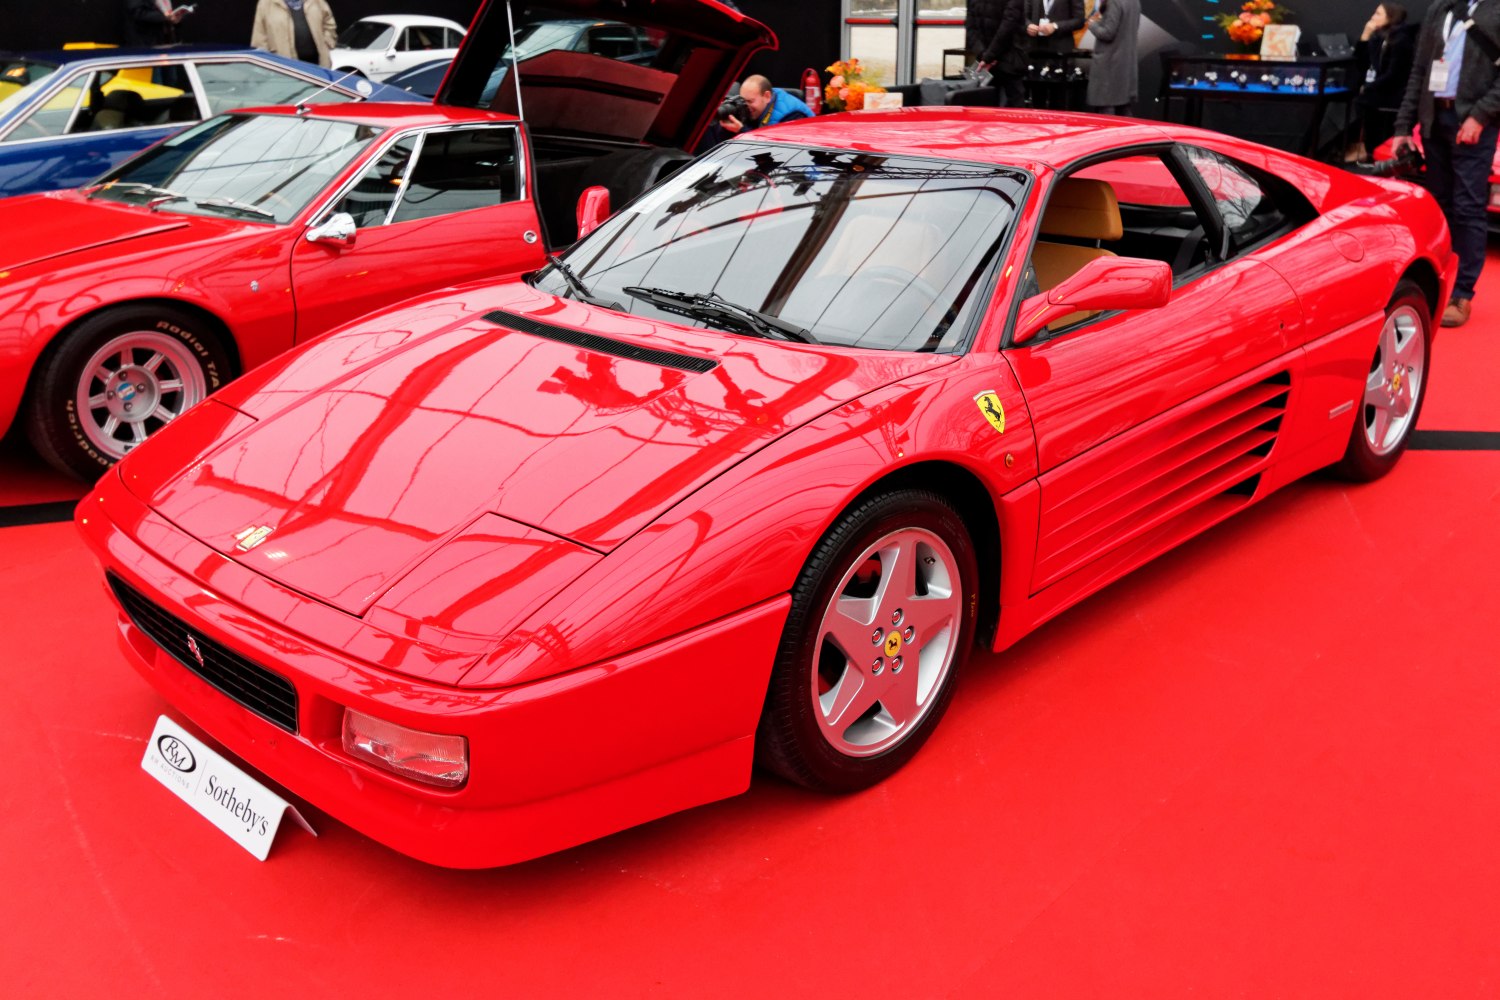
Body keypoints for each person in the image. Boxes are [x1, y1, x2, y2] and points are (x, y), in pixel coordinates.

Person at [1393, 0, 1500, 327]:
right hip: (1434, 119)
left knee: (1468, 206)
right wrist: (1402, 126)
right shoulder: (1440, 7)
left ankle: (1462, 294)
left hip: (1472, 122)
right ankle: (1437, 282)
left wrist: (1480, 116)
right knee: (1438, 206)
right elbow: (1420, 69)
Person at [1353, 4, 1417, 157]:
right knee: (1353, 100)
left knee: (1361, 101)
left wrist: (1369, 87)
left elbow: (1394, 74)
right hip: (1380, 88)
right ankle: (1355, 146)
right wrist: (1365, 35)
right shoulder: (1380, 38)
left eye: (1378, 14)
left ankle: (1365, 148)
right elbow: (1362, 63)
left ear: (1390, 17)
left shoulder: (1402, 40)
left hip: (1394, 92)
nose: (1372, 17)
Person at [1085, 0, 1140, 114]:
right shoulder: (1135, 2)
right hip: (1124, 65)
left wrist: (1092, 24)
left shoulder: (1114, 2)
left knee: (1106, 114)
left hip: (1109, 66)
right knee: (1124, 110)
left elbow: (1107, 33)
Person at [251, 0, 338, 69]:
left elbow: (329, 23)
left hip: (319, 65)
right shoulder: (265, 4)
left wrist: (327, 43)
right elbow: (259, 40)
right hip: (286, 69)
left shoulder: (317, 1)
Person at [975, 0, 1028, 108]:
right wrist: (986, 56)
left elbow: (1008, 26)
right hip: (991, 60)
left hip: (1006, 59)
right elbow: (972, 27)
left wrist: (987, 56)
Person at [721, 75, 813, 134]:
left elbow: (779, 152)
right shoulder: (755, 107)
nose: (745, 105)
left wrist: (742, 131)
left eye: (750, 101)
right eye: (743, 101)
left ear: (767, 96)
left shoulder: (793, 116)